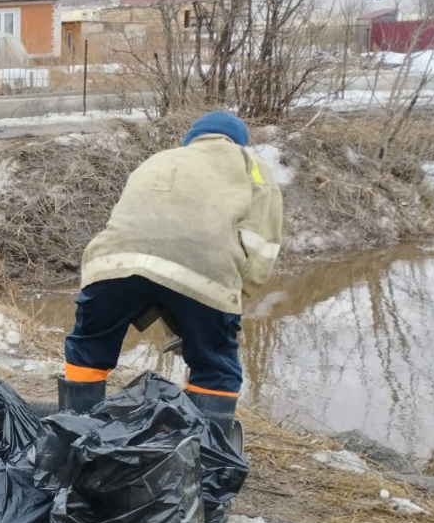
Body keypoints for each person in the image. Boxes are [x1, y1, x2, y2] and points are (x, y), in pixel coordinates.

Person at [58, 111, 282, 449]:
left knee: (88, 345)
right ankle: (206, 461)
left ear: (192, 138)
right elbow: (260, 248)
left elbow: (146, 244)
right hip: (205, 267)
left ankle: (73, 442)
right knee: (213, 361)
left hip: (110, 263)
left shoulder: (161, 158)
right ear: (237, 141)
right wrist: (225, 305)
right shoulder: (249, 166)